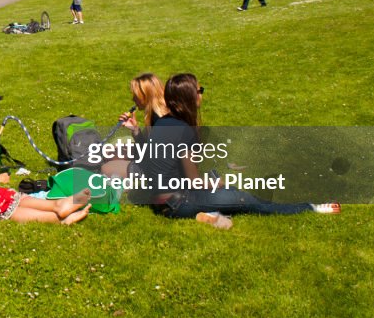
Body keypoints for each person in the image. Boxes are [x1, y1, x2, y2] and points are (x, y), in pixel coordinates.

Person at [127, 74, 340, 225]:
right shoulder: (184, 130)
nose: (202, 94)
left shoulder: (162, 122)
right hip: (177, 204)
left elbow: (161, 167)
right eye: (199, 90)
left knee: (225, 188)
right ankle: (311, 207)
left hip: (160, 202)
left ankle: (209, 213)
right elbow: (192, 182)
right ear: (190, 97)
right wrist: (213, 183)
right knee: (246, 200)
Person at [101, 72, 168, 180]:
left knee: (105, 168)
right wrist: (135, 130)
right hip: (152, 159)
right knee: (110, 153)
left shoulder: (160, 121)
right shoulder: (158, 113)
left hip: (156, 170)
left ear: (146, 95)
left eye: (136, 96)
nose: (133, 99)